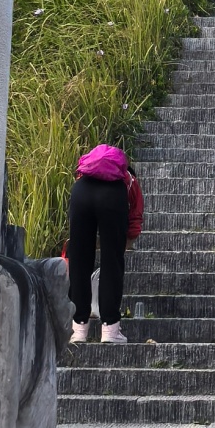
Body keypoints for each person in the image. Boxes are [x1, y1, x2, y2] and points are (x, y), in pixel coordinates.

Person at [65, 143, 142, 345]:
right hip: (113, 199)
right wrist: (126, 240)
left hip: (81, 195)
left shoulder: (83, 176)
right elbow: (136, 213)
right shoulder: (128, 178)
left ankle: (78, 330)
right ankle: (110, 330)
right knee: (111, 264)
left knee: (79, 262)